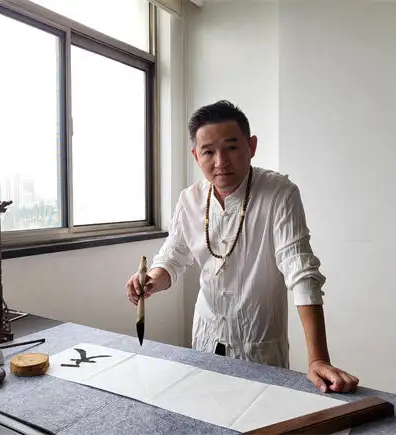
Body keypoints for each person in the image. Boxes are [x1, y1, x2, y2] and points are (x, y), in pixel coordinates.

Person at [125, 100, 359, 394]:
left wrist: (318, 358)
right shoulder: (190, 199)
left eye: (232, 147)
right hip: (205, 340)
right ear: (196, 155)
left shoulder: (279, 193)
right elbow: (172, 257)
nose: (220, 161)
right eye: (208, 152)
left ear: (251, 146)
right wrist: (151, 280)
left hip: (259, 346)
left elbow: (300, 272)